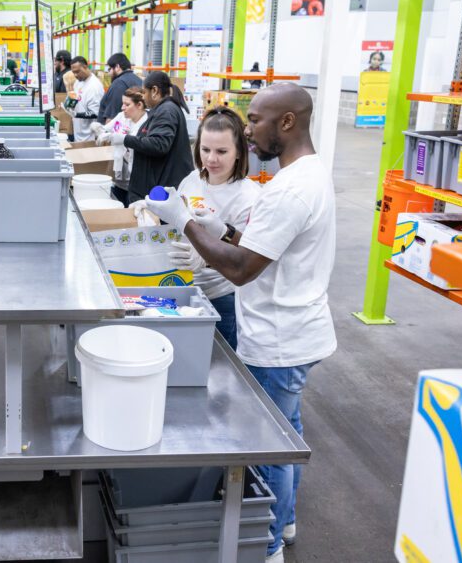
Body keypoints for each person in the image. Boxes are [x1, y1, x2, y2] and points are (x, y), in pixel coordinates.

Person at [145, 83, 336, 563]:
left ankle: (266, 545)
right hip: (297, 325)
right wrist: (219, 228)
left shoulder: (285, 191)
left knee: (267, 445)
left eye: (254, 121)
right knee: (286, 431)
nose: (248, 131)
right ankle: (285, 519)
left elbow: (240, 268)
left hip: (278, 336)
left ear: (287, 122)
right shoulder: (309, 174)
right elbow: (258, 244)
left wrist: (185, 222)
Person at [169, 107, 261, 350]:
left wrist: (207, 258)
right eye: (205, 149)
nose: (211, 159)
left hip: (222, 295)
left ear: (239, 152)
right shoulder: (191, 180)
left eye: (221, 151)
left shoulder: (249, 197)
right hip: (183, 287)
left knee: (219, 365)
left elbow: (248, 257)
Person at [104, 71, 193, 203]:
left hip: (164, 189)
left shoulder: (166, 111)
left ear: (155, 91)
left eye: (144, 93)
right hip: (158, 186)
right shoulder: (161, 110)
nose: (143, 98)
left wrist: (125, 139)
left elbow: (159, 144)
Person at [95, 87, 149, 206]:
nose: (122, 107)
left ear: (139, 105)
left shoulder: (147, 123)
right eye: (122, 103)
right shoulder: (121, 117)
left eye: (127, 104)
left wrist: (120, 138)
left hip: (136, 179)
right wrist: (99, 130)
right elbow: (105, 130)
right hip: (119, 176)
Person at [98, 53, 142, 124]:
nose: (109, 74)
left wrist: (104, 134)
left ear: (117, 67)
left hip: (117, 131)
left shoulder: (118, 83)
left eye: (109, 69)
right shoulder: (138, 80)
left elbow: (111, 117)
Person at [70, 56, 104, 143]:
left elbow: (95, 113)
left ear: (85, 67)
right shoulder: (78, 82)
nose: (76, 75)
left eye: (78, 72)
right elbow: (78, 99)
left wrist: (76, 114)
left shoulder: (94, 86)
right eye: (73, 72)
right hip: (78, 133)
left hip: (89, 137)